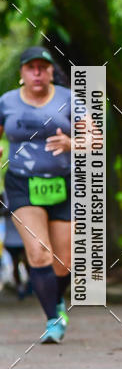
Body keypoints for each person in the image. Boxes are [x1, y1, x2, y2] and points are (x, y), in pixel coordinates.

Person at [0, 47, 72, 343]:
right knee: (38, 251)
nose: (38, 73)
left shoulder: (70, 100)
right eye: (32, 68)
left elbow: (95, 138)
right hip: (22, 184)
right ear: (22, 73)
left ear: (52, 71)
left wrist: (72, 142)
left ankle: (55, 299)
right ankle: (53, 318)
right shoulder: (6, 102)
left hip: (64, 185)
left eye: (44, 67)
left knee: (64, 260)